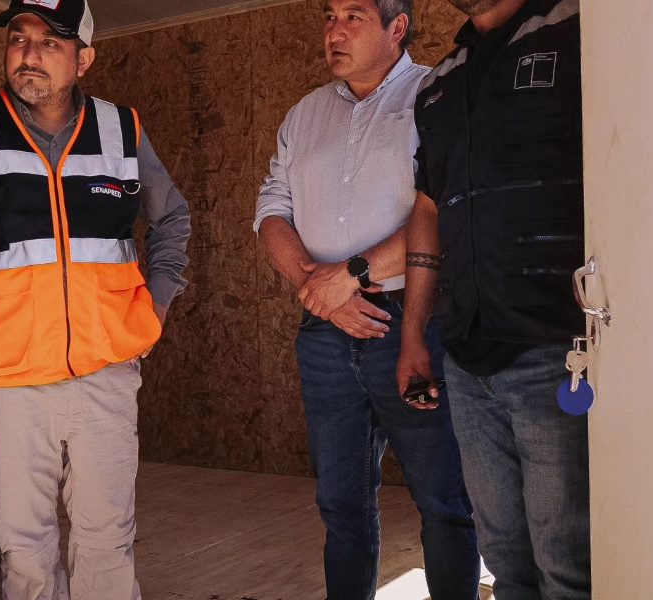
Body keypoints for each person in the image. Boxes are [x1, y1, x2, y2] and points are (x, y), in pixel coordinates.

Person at [254, 1, 484, 598]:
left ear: (396, 27)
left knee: (444, 501)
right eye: (329, 17)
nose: (335, 31)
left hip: (416, 326)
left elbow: (447, 209)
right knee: (340, 504)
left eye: (353, 17)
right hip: (324, 333)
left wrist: (350, 277)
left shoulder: (436, 94)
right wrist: (321, 290)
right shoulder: (304, 113)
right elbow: (272, 209)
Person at [0, 0, 192, 597]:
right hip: (13, 378)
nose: (28, 54)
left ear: (83, 60)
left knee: (107, 541)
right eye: (19, 38)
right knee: (24, 549)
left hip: (105, 371)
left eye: (50, 43)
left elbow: (172, 218)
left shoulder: (121, 129)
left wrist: (155, 309)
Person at [395, 0, 589, 598]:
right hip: (466, 360)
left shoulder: (578, 29)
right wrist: (413, 334)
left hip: (557, 351)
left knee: (568, 565)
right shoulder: (441, 83)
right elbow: (429, 208)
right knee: (505, 562)